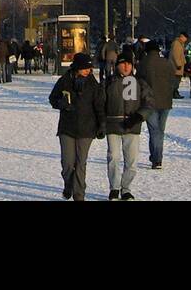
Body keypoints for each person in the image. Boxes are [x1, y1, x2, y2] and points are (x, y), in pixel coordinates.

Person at [49, 52, 105, 200]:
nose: (88, 70)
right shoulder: (65, 80)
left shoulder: (93, 84)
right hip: (67, 128)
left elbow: (99, 106)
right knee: (67, 163)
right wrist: (61, 103)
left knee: (81, 163)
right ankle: (69, 184)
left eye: (90, 68)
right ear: (77, 68)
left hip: (87, 128)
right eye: (85, 68)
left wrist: (101, 125)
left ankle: (79, 194)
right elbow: (52, 98)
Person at [103, 50, 153, 200]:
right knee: (114, 157)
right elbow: (100, 102)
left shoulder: (139, 83)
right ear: (117, 65)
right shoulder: (109, 82)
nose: (126, 66)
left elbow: (149, 102)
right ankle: (114, 188)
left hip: (132, 125)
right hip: (113, 124)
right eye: (123, 63)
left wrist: (138, 116)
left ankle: (126, 188)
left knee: (131, 161)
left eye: (129, 64)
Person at [138, 39, 174, 168]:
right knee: (160, 130)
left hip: (149, 102)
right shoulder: (166, 63)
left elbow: (139, 82)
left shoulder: (142, 63)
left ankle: (156, 158)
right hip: (165, 100)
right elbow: (173, 79)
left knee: (154, 131)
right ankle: (157, 157)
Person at [169, 32, 189, 101]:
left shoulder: (180, 43)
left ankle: (174, 92)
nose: (186, 40)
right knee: (176, 80)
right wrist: (178, 64)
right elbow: (175, 55)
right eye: (185, 38)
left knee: (176, 79)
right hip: (176, 66)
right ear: (182, 37)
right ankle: (174, 93)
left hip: (177, 65)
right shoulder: (177, 44)